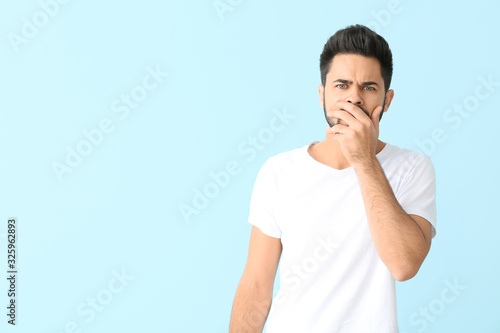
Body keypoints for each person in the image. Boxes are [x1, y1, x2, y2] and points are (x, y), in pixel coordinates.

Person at [229, 24, 437, 333]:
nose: (353, 98)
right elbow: (257, 286)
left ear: (387, 99)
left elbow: (404, 265)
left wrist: (364, 160)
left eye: (368, 87)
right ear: (321, 93)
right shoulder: (280, 171)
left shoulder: (412, 167)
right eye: (341, 85)